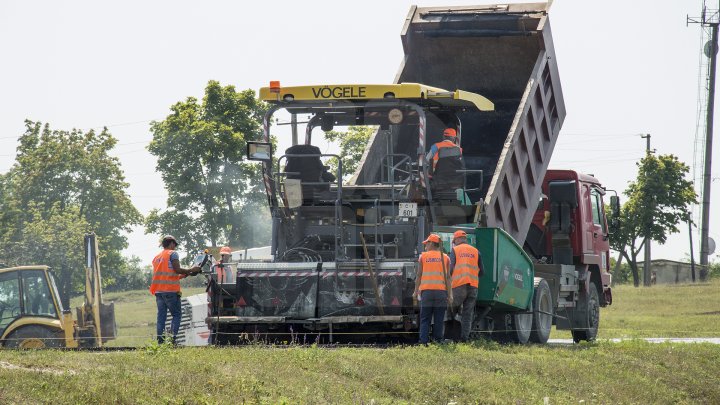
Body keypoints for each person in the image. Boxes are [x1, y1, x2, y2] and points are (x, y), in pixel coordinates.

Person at [150, 235, 201, 344]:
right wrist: (191, 269)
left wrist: (186, 274)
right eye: (175, 245)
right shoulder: (172, 254)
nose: (175, 247)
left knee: (161, 318)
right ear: (172, 243)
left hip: (159, 292)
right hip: (170, 292)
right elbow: (177, 269)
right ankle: (172, 340)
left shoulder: (156, 257)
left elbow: (168, 275)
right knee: (176, 315)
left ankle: (160, 342)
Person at [413, 233, 453, 344]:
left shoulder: (423, 257)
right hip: (441, 293)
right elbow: (448, 278)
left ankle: (423, 342)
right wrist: (450, 295)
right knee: (439, 318)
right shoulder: (445, 258)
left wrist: (415, 291)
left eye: (427, 243)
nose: (425, 245)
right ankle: (438, 340)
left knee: (425, 318)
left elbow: (419, 275)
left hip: (427, 292)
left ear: (432, 243)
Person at [448, 230, 483, 342]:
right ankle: (464, 339)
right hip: (473, 287)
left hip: (458, 285)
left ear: (457, 240)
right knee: (467, 314)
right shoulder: (476, 251)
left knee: (450, 311)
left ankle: (451, 337)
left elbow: (450, 269)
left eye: (454, 241)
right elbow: (482, 271)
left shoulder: (455, 250)